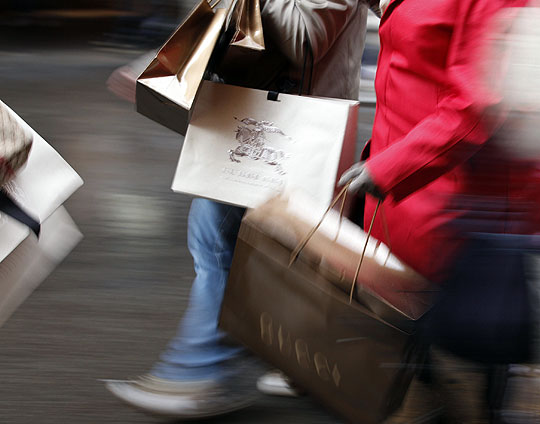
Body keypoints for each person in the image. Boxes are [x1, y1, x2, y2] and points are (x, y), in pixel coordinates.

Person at [105, 0, 367, 418]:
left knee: (219, 244)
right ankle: (292, 363)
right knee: (241, 244)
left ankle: (197, 373)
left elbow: (306, 39)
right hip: (255, 109)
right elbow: (227, 17)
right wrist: (162, 63)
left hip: (286, 121)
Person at [338, 0, 540, 421]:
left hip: (461, 199)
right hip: (412, 184)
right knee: (417, 347)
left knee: (468, 353)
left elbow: (480, 104)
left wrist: (390, 167)